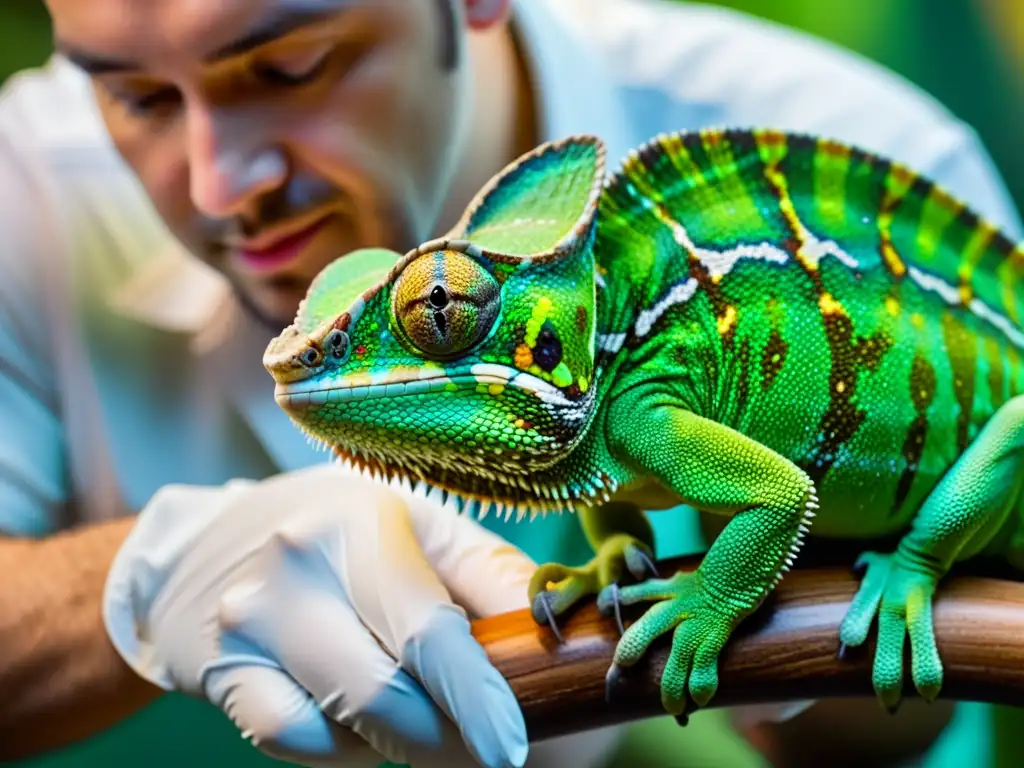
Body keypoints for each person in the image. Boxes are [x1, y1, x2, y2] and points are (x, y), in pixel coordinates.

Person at [0, 0, 1020, 766]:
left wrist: (754, 614)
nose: (224, 183)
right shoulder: (31, 184)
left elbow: (925, 698)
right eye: (130, 96)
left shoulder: (867, 140)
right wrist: (144, 575)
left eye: (296, 63)